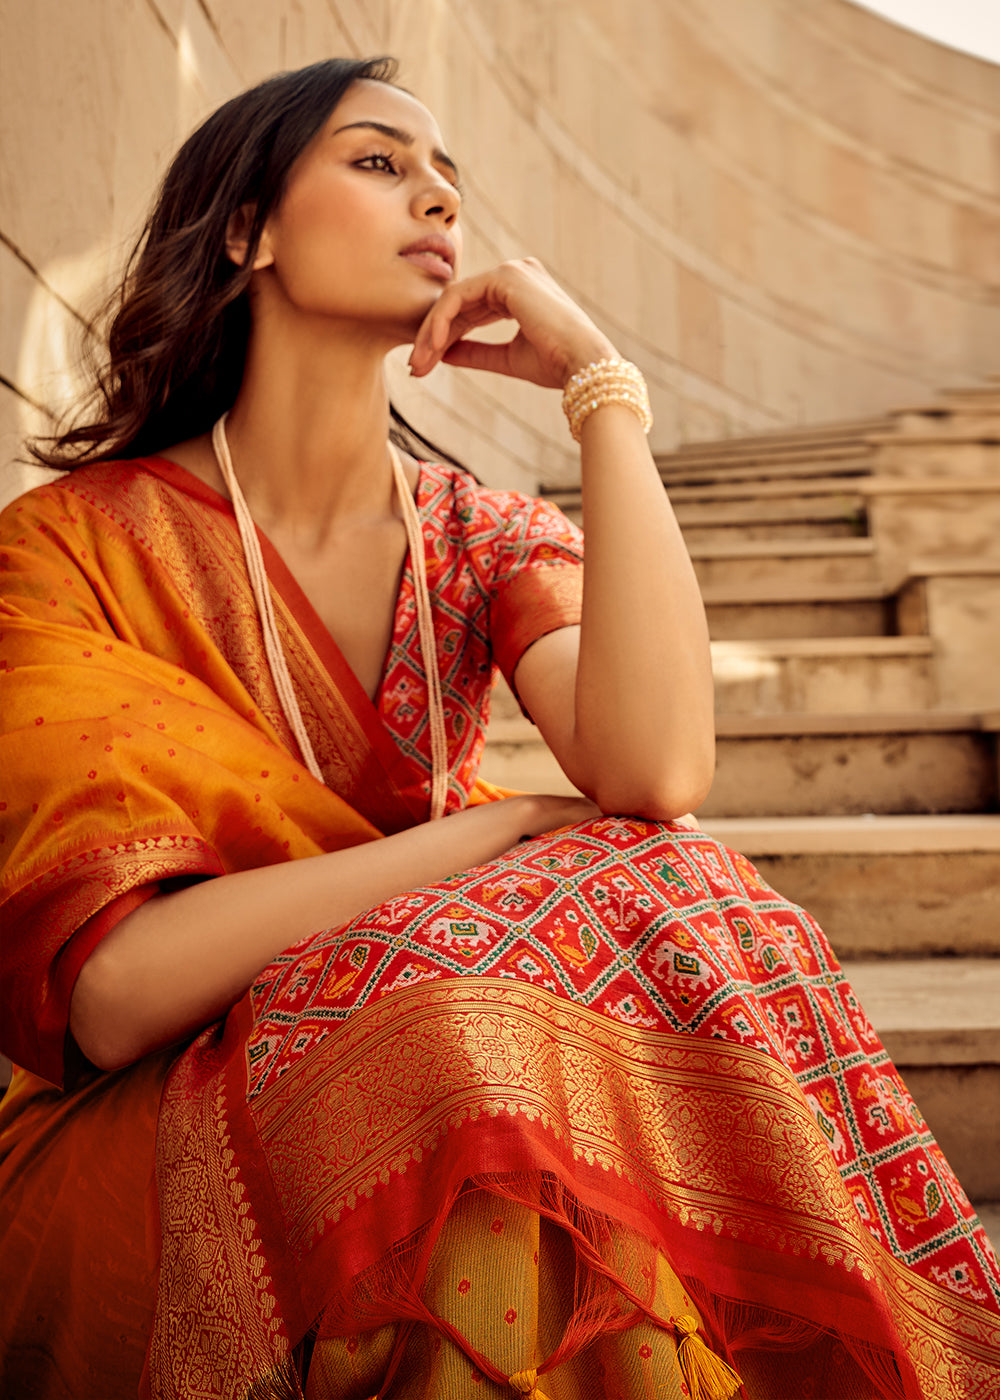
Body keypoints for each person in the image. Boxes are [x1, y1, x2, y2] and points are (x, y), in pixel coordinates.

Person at [0, 55, 997, 1400]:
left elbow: (655, 772)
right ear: (249, 231)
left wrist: (605, 389)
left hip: (456, 1074)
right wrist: (503, 828)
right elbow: (118, 998)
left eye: (449, 181)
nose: (436, 204)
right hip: (160, 1131)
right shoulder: (67, 553)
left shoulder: (472, 538)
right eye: (378, 163)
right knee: (471, 1031)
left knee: (657, 890)